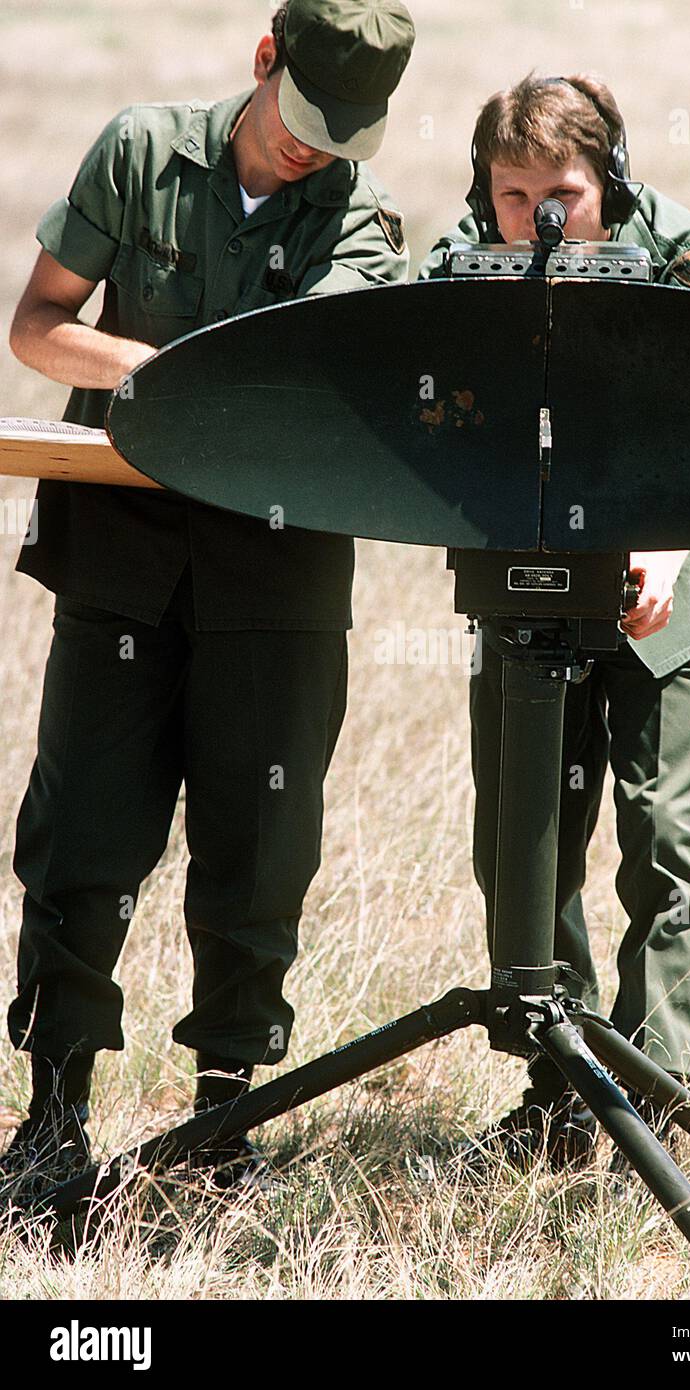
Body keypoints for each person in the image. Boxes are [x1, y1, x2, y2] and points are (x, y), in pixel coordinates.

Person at [2, 0, 415, 1194]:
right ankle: (53, 1117)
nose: (312, 150)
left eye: (344, 133)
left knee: (257, 852)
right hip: (119, 560)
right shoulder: (138, 152)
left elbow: (309, 392)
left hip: (275, 577)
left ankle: (220, 1130)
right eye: (300, 118)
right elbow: (40, 328)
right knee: (81, 838)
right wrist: (158, 373)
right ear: (261, 60)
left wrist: (199, 388)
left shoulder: (358, 216)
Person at [420, 72, 690, 1169]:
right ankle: (562, 1089)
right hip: (526, 592)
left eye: (559, 191)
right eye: (511, 196)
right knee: (521, 846)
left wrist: (658, 551)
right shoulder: (457, 269)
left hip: (664, 598)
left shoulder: (686, 261)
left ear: (605, 178)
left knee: (663, 845)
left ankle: (657, 1097)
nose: (536, 219)